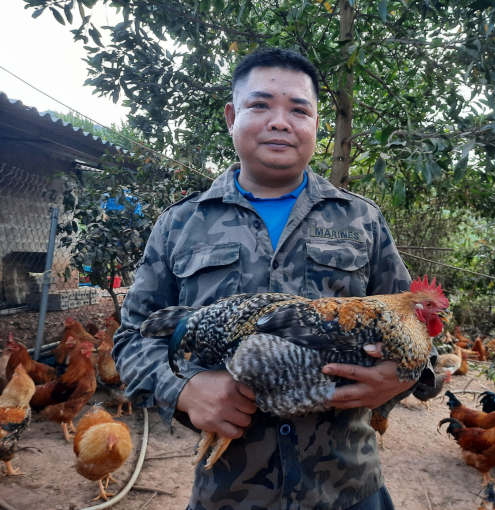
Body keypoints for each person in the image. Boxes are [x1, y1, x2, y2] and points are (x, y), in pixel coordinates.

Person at [113, 48, 433, 510]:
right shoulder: (180, 224)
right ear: (231, 116)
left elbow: (416, 321)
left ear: (317, 124)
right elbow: (131, 337)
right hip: (230, 492)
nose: (280, 121)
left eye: (299, 109)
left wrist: (400, 377)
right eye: (260, 105)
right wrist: (184, 389)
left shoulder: (362, 220)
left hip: (346, 488)